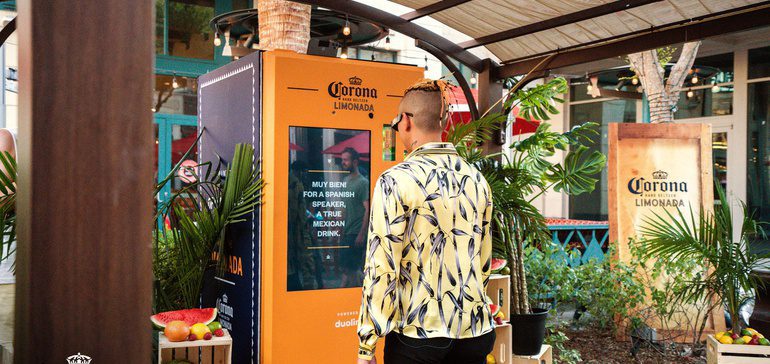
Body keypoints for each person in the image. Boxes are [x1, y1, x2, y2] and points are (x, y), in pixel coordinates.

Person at [356, 80, 495, 364]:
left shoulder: (395, 180)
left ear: (406, 122)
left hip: (417, 335)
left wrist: (367, 344)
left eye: (395, 123)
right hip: (475, 332)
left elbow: (382, 268)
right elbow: (483, 261)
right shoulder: (476, 179)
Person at [340, 147, 370, 288]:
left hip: (356, 232)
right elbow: (344, 207)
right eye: (342, 160)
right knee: (345, 268)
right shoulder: (345, 181)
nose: (343, 162)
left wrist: (361, 234)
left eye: (346, 160)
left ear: (355, 162)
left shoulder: (363, 183)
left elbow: (367, 209)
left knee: (352, 269)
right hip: (346, 232)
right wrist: (339, 228)